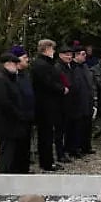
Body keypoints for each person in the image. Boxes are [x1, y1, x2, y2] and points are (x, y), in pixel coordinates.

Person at [0, 53, 33, 173]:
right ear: (7, 64)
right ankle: (6, 176)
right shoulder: (0, 79)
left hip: (15, 123)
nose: (16, 66)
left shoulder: (11, 78)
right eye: (15, 63)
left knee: (16, 151)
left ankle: (17, 172)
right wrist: (18, 114)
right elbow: (5, 102)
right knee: (7, 152)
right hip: (6, 123)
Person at [30, 39, 66, 172]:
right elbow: (48, 82)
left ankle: (48, 160)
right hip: (44, 105)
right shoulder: (41, 65)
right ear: (46, 49)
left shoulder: (47, 63)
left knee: (48, 134)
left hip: (50, 103)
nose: (54, 51)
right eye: (52, 49)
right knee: (45, 135)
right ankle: (46, 162)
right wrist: (62, 89)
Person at [64, 46, 96, 157]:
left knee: (87, 125)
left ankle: (86, 146)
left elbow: (90, 83)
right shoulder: (72, 67)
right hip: (77, 101)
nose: (85, 56)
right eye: (82, 54)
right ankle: (74, 148)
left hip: (87, 99)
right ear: (76, 55)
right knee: (77, 127)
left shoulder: (86, 66)